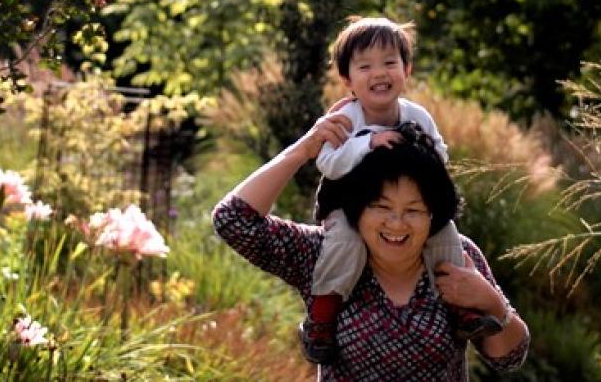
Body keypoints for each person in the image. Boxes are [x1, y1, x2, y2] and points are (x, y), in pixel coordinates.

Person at [211, 116, 530, 381]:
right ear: (356, 209)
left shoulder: (456, 256)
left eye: (414, 210)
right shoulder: (322, 254)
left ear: (434, 215)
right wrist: (303, 150)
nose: (396, 224)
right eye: (380, 206)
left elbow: (509, 358)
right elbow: (232, 219)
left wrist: (491, 302)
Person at [304, 16, 501, 363]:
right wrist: (368, 143)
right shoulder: (347, 118)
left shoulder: (417, 115)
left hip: (407, 204)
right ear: (347, 78)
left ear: (407, 70)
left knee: (444, 232)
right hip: (347, 205)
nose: (379, 73)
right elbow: (328, 162)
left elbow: (439, 155)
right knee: (344, 243)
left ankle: (461, 309)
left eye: (390, 63)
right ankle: (322, 316)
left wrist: (420, 150)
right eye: (365, 66)